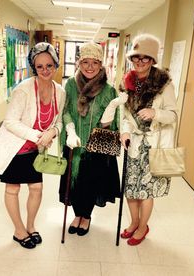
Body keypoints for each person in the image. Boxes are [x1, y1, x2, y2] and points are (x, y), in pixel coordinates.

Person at [0, 42, 66, 249]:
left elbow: (58, 121)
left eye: (49, 65)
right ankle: (18, 230)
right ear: (34, 67)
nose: (45, 70)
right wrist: (36, 135)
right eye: (40, 66)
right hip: (15, 147)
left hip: (34, 149)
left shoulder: (59, 91)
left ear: (56, 65)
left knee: (37, 188)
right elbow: (10, 122)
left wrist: (53, 131)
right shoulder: (23, 89)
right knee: (13, 189)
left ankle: (31, 226)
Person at [59, 42, 127, 236]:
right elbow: (65, 111)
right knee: (72, 184)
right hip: (74, 144)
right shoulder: (71, 84)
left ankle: (86, 216)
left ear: (101, 65)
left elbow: (110, 126)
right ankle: (76, 214)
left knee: (89, 184)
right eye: (85, 62)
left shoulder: (108, 90)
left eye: (94, 62)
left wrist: (113, 108)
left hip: (95, 148)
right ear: (79, 63)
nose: (90, 67)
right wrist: (71, 131)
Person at [118, 34, 178, 245]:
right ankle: (134, 222)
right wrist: (124, 131)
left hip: (153, 145)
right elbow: (125, 115)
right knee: (130, 189)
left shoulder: (164, 84)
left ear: (153, 60)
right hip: (133, 144)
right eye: (136, 57)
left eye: (145, 58)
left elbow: (172, 115)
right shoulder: (128, 82)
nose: (140, 62)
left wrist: (155, 113)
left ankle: (143, 228)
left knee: (145, 191)